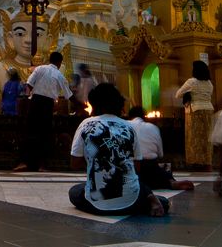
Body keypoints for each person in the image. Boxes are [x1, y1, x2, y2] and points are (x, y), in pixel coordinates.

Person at [69, 83, 169, 217]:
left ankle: (140, 198)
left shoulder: (86, 124)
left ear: (94, 104)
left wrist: (95, 161)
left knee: (74, 191)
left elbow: (74, 164)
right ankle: (149, 197)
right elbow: (137, 168)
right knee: (164, 201)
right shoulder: (129, 127)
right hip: (130, 199)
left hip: (98, 204)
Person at [13, 51, 73, 172]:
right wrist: (81, 104)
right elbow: (69, 96)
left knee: (29, 132)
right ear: (60, 63)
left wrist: (26, 97)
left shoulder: (39, 69)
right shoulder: (59, 75)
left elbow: (28, 84)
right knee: (45, 134)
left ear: (50, 59)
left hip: (34, 102)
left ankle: (24, 162)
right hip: (48, 105)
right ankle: (42, 165)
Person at [127, 106, 194, 191]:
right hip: (150, 166)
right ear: (144, 116)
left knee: (132, 179)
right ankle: (170, 182)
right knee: (161, 173)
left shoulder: (124, 125)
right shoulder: (152, 127)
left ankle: (142, 185)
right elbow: (160, 154)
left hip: (131, 167)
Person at [175, 60, 214, 170]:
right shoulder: (209, 83)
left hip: (195, 110)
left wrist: (188, 94)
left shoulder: (192, 82)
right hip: (209, 110)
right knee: (207, 138)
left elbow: (178, 94)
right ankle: (208, 163)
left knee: (195, 138)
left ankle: (196, 163)